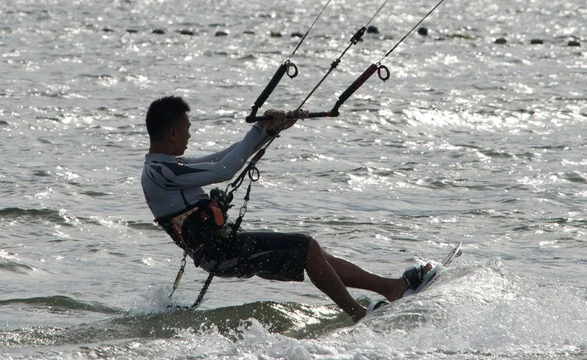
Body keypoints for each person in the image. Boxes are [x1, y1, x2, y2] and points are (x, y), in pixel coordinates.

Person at [141, 95, 432, 322]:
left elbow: (221, 156)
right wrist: (261, 129)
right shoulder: (160, 172)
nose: (191, 136)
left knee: (315, 253)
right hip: (219, 254)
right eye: (188, 130)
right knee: (306, 247)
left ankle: (391, 288)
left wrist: (266, 130)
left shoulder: (167, 166)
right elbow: (224, 169)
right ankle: (358, 315)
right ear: (173, 133)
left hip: (224, 248)